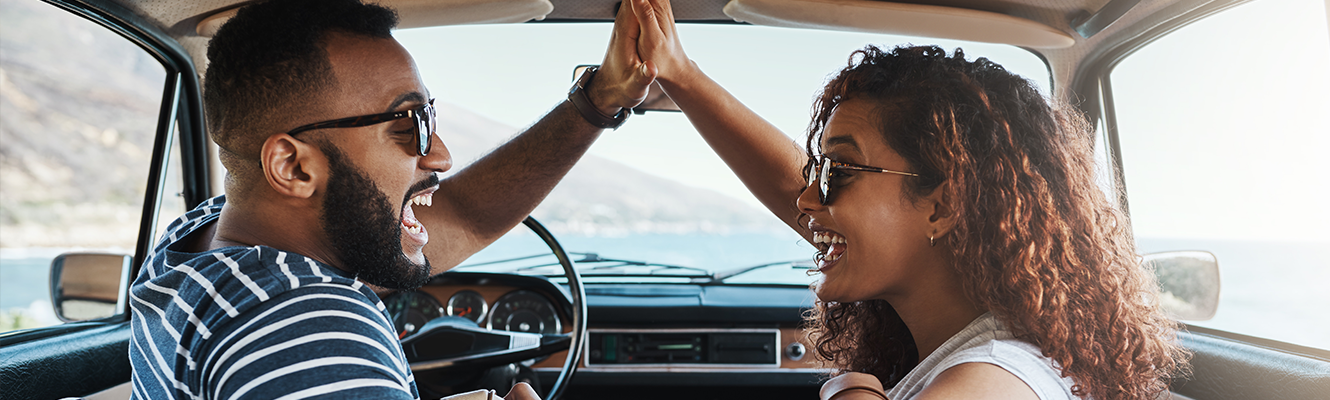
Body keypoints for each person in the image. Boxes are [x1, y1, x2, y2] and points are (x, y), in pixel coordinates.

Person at [620, 0, 1187, 399]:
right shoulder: (993, 344)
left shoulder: (998, 376)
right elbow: (794, 188)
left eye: (839, 171)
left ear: (941, 206)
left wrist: (849, 393)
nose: (809, 202)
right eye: (821, 171)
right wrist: (682, 77)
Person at [127, 0, 652, 399]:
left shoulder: (201, 246)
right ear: (292, 166)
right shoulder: (313, 328)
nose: (441, 156)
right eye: (407, 126)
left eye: (431, 119)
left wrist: (598, 100)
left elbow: (464, 217)